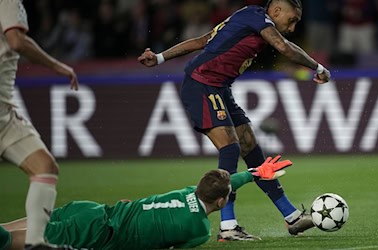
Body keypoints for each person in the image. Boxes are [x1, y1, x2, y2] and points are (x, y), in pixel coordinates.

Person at [138, 0, 330, 241]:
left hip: (220, 88)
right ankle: (228, 227)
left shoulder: (244, 19)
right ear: (277, 10)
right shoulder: (256, 17)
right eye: (291, 20)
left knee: (251, 147)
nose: (292, 28)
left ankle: (291, 216)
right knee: (230, 148)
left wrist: (159, 57)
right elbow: (284, 47)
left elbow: (201, 41)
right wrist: (318, 67)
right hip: (202, 84)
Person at [1, 156, 293, 250]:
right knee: (9, 241)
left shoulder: (188, 192)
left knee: (12, 228)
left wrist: (253, 174)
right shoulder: (199, 231)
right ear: (219, 202)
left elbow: (224, 185)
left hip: (92, 210)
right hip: (99, 233)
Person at [0, 0, 79, 249]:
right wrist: (56, 65)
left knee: (44, 167)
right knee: (44, 167)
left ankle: (35, 243)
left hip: (4, 111)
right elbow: (15, 40)